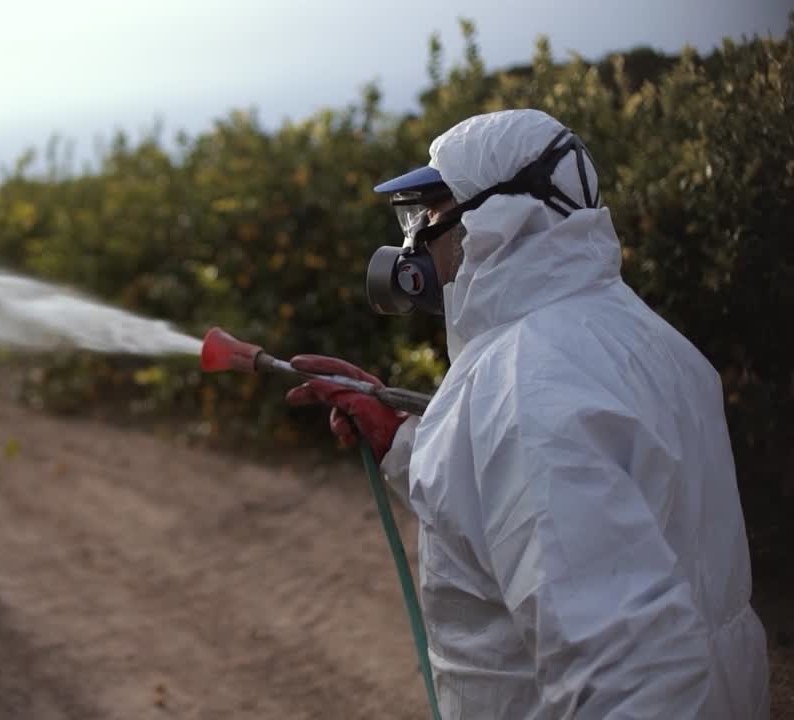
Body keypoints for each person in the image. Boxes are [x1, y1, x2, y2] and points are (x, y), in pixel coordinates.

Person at [285, 108, 770, 718]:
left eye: (429, 217)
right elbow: (513, 501)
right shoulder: (642, 338)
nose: (416, 243)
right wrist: (403, 442)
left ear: (495, 220)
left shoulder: (526, 382)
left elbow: (632, 678)